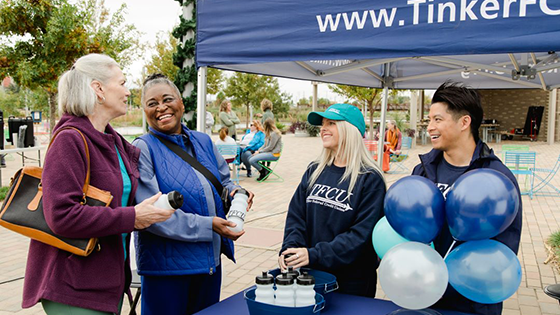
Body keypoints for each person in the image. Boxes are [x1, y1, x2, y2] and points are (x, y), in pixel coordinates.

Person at [22, 54, 175, 315]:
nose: (128, 91)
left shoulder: (111, 140)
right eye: (123, 83)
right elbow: (61, 216)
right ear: (98, 89)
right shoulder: (69, 140)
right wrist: (133, 217)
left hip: (105, 282)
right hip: (74, 286)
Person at [133, 74, 254, 315]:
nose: (161, 108)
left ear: (181, 103)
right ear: (144, 111)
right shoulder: (142, 149)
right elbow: (152, 213)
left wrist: (236, 192)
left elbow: (223, 181)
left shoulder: (202, 141)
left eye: (167, 99)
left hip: (208, 265)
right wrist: (209, 225)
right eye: (152, 103)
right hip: (166, 271)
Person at [412, 81, 522, 315]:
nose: (429, 126)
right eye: (429, 119)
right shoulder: (422, 170)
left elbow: (505, 246)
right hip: (425, 294)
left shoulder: (497, 179)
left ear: (464, 122)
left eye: (437, 119)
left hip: (473, 301)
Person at [279, 104, 386, 297]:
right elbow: (296, 216)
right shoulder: (314, 170)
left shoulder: (370, 179)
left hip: (351, 285)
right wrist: (291, 249)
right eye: (322, 124)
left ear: (350, 130)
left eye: (331, 123)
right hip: (311, 278)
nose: (323, 129)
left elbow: (361, 237)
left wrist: (314, 254)